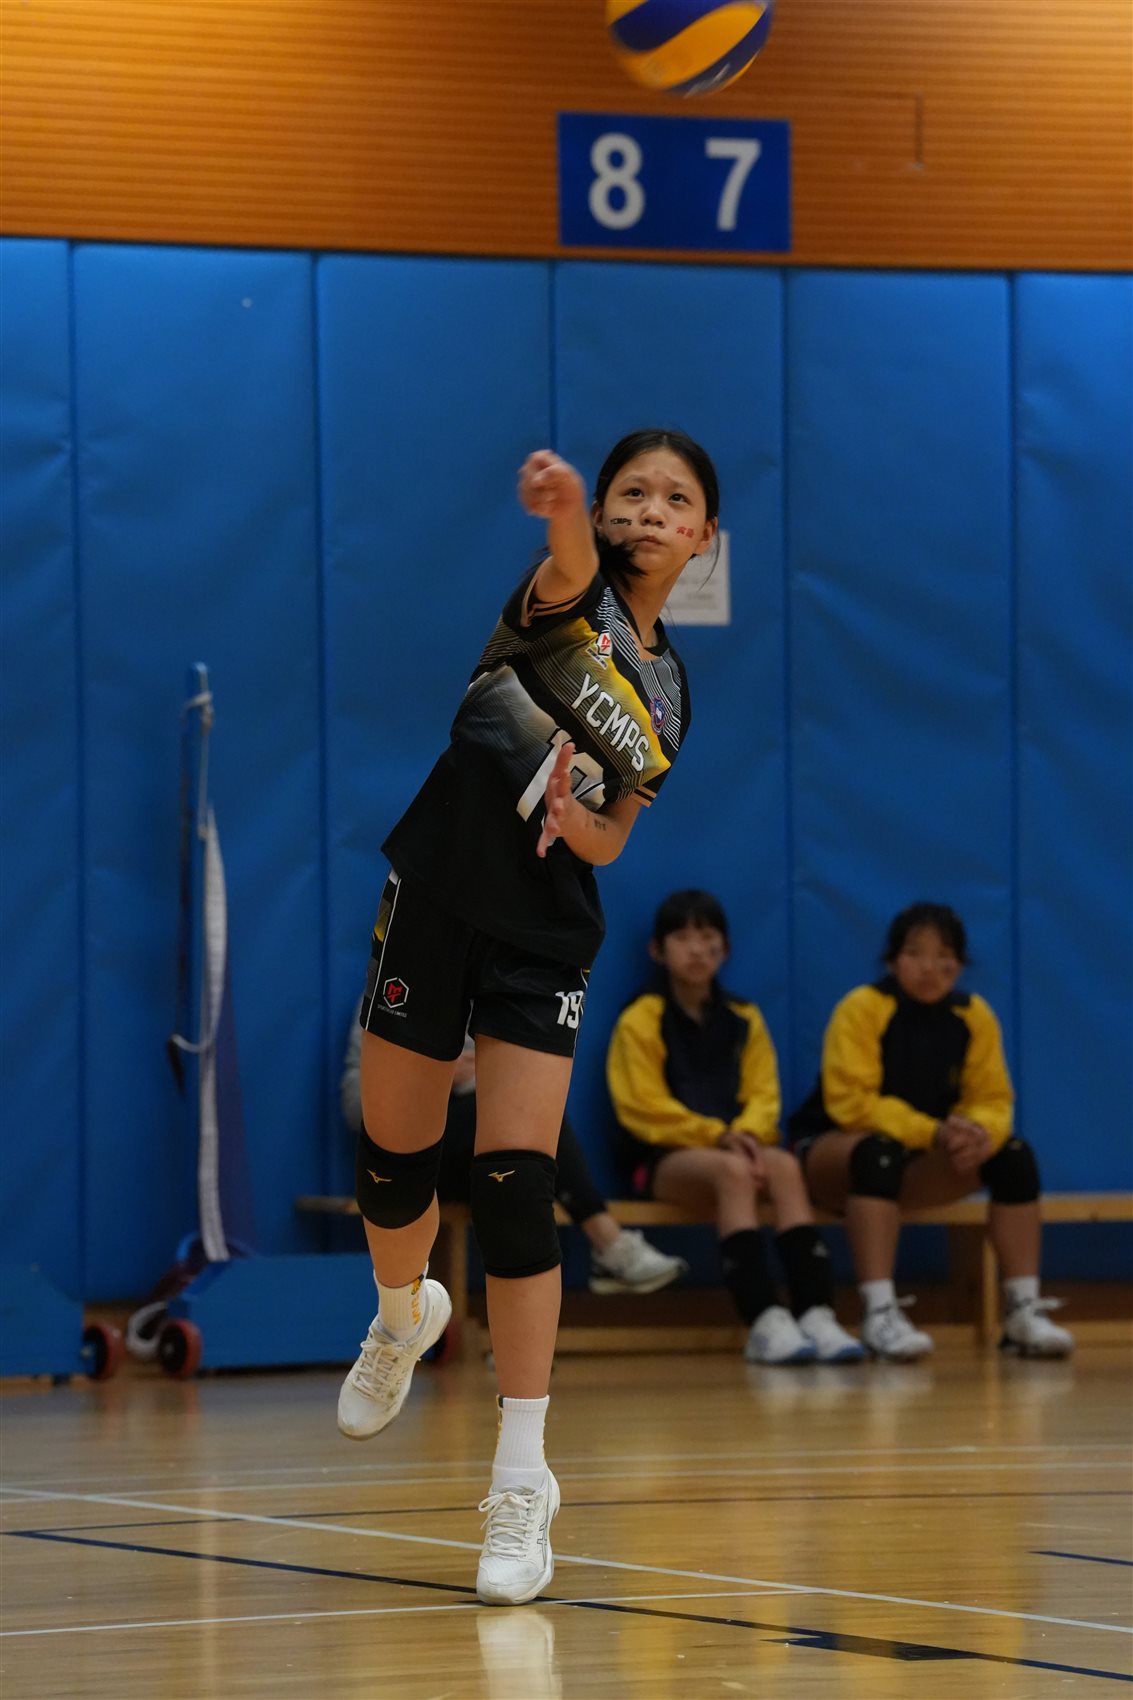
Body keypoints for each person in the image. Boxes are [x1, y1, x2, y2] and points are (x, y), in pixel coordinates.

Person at [340, 430, 719, 1607]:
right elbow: (565, 552)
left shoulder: (670, 695)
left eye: (674, 499)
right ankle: (401, 1313)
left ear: (703, 536)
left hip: (547, 928)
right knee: (392, 1161)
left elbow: (614, 834)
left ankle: (519, 1477)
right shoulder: (565, 593)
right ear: (600, 514)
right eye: (629, 492)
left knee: (514, 1181)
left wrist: (575, 818)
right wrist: (557, 504)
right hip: (439, 886)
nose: (648, 509)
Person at [788, 901, 1075, 1362]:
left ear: (960, 965)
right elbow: (851, 1104)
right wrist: (934, 1133)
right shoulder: (863, 1007)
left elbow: (993, 1098)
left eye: (945, 957)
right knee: (877, 1153)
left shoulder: (973, 1015)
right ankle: (879, 1312)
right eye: (915, 954)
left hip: (919, 1161)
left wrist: (978, 1134)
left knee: (1013, 1156)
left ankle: (1022, 1310)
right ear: (892, 960)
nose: (930, 968)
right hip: (834, 1155)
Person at [606, 889, 865, 1365]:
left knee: (784, 1166)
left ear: (725, 949)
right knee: (733, 1173)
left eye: (708, 938)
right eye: (683, 938)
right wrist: (718, 1137)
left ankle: (816, 1312)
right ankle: (763, 1319)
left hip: (738, 1148)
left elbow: (765, 1095)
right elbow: (642, 1107)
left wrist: (745, 1133)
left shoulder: (744, 1017)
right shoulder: (642, 1018)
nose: (697, 950)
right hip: (661, 1160)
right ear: (657, 950)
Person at [340, 1017, 687, 1294]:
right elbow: (356, 1106)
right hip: (415, 1160)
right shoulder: (394, 990)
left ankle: (513, 1345)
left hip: (493, 1151)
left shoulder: (497, 989)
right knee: (515, 1121)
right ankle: (607, 1242)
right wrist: (436, 1078)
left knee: (519, 1154)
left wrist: (488, 1077)